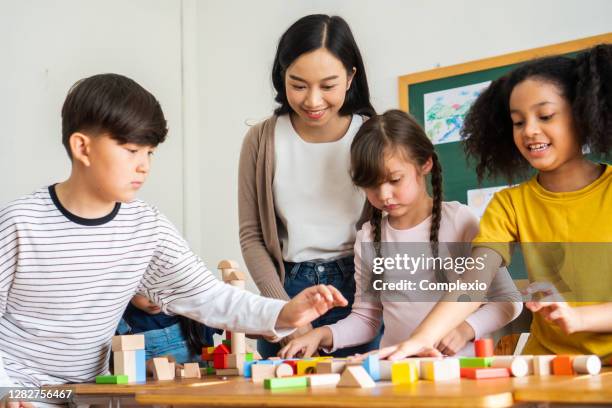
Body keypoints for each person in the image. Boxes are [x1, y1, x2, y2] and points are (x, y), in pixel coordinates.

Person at [0, 73, 348, 396]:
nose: (144, 165)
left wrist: (285, 313)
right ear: (82, 147)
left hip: (92, 395)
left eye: (150, 152)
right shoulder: (20, 223)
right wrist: (7, 391)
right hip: (18, 391)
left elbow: (209, 297)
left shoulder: (147, 228)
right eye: (131, 150)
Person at [373, 44, 612, 360]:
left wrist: (580, 318)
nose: (529, 131)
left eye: (545, 115)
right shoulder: (510, 204)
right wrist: (421, 338)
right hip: (550, 366)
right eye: (517, 121)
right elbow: (474, 280)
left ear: (583, 113)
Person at [278, 110, 522, 358]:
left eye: (394, 180)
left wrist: (466, 329)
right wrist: (321, 334)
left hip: (459, 373)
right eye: (371, 184)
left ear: (425, 163)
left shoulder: (460, 222)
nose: (383, 194)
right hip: (397, 371)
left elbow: (508, 300)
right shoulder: (368, 238)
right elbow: (366, 319)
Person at [238, 14, 380, 358]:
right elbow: (252, 236)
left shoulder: (374, 135)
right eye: (298, 85)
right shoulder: (262, 139)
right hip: (287, 288)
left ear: (350, 78)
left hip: (359, 289)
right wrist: (285, 311)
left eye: (328, 86)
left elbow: (395, 224)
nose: (313, 101)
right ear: (281, 76)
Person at [118, 294, 221, 363]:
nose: (154, 300)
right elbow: (118, 368)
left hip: (203, 391)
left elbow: (235, 331)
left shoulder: (198, 312)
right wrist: (148, 367)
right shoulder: (118, 321)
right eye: (142, 293)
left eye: (161, 289)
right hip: (154, 393)